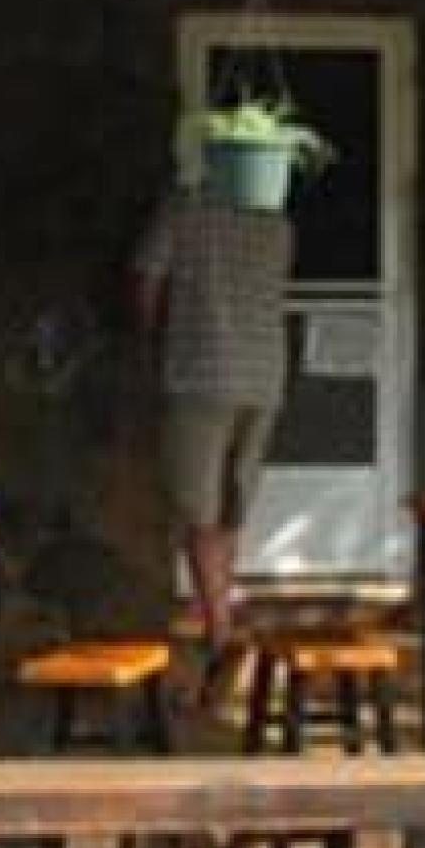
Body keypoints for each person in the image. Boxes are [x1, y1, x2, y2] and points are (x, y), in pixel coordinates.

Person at [131, 158, 295, 714]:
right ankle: (222, 616)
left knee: (195, 510)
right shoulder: (276, 223)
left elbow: (146, 281)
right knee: (230, 509)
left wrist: (152, 336)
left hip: (200, 375)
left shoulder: (183, 208)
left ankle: (220, 637)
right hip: (263, 378)